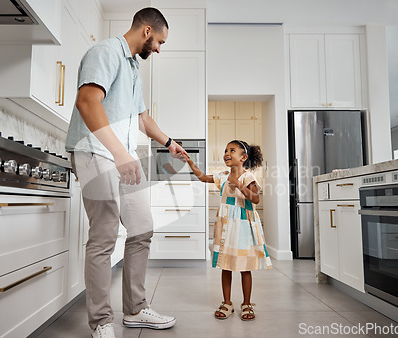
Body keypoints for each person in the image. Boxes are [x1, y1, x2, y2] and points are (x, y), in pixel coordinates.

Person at [65, 7, 187, 338]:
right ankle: (102, 322)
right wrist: (119, 152)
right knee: (104, 234)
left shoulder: (133, 67)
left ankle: (134, 310)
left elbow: (143, 118)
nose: (159, 49)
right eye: (160, 41)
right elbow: (87, 102)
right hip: (95, 152)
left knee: (142, 228)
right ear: (147, 31)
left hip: (123, 156)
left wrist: (170, 142)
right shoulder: (105, 52)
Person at [184, 140, 272, 321]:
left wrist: (238, 185)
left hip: (243, 227)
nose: (227, 153)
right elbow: (202, 177)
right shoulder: (222, 176)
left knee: (245, 267)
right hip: (226, 227)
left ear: (243, 157)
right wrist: (191, 162)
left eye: (232, 150)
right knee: (226, 265)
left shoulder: (247, 178)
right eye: (225, 150)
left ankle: (246, 303)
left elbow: (255, 199)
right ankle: (227, 302)